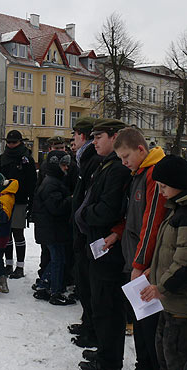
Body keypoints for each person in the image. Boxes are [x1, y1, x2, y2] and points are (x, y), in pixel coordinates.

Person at [106, 127, 166, 370]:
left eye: (126, 157)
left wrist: (139, 265)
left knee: (150, 328)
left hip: (148, 267)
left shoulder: (154, 174)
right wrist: (118, 232)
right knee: (141, 324)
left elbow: (152, 222)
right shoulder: (139, 173)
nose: (124, 163)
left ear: (141, 150)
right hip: (137, 261)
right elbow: (134, 216)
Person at [75, 118, 131, 370]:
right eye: (93, 137)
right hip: (98, 246)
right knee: (99, 305)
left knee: (108, 308)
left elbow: (109, 210)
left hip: (109, 250)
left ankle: (109, 361)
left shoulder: (118, 168)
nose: (93, 141)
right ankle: (105, 353)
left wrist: (84, 214)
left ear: (115, 136)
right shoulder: (106, 164)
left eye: (99, 137)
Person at [140, 155, 187, 370]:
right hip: (168, 301)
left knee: (174, 358)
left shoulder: (184, 215)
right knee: (163, 356)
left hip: (180, 305)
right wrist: (154, 270)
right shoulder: (176, 209)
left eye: (164, 186)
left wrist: (162, 287)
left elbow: (184, 263)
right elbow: (167, 251)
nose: (161, 191)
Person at [68, 117, 102, 347]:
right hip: (82, 229)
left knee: (91, 285)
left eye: (74, 135)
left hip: (89, 231)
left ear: (82, 135)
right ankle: (87, 323)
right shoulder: (85, 158)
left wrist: (81, 218)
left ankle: (92, 329)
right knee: (84, 281)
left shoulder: (92, 159)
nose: (72, 140)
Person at [32, 151, 76, 306]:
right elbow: (56, 207)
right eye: (63, 165)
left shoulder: (52, 181)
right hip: (52, 229)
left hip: (51, 229)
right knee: (58, 259)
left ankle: (44, 284)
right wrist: (71, 199)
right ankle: (55, 291)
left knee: (56, 258)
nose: (66, 168)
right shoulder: (51, 183)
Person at [0, 130, 37, 279]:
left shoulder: (26, 159)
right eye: (9, 142)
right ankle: (9, 264)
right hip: (5, 200)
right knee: (6, 233)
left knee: (18, 233)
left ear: (20, 142)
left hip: (20, 201)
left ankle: (20, 266)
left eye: (14, 142)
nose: (11, 145)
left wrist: (31, 204)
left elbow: (32, 182)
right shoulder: (3, 157)